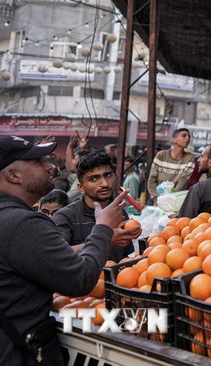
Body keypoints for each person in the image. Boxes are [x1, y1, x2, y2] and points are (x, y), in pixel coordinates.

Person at [0, 135, 127, 366]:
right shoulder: (23, 224)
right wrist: (103, 229)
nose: (50, 167)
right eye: (38, 161)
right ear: (12, 175)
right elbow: (79, 279)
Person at [52, 151, 137, 262]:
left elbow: (125, 257)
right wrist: (105, 240)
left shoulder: (119, 213)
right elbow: (57, 256)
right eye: (93, 179)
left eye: (108, 175)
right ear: (81, 187)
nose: (105, 184)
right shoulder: (66, 217)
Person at [146, 127, 196, 202]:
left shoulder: (189, 158)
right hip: (155, 198)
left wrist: (169, 200)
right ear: (174, 139)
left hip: (174, 200)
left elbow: (182, 182)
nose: (187, 138)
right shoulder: (161, 155)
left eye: (189, 136)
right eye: (184, 135)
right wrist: (156, 199)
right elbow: (152, 180)